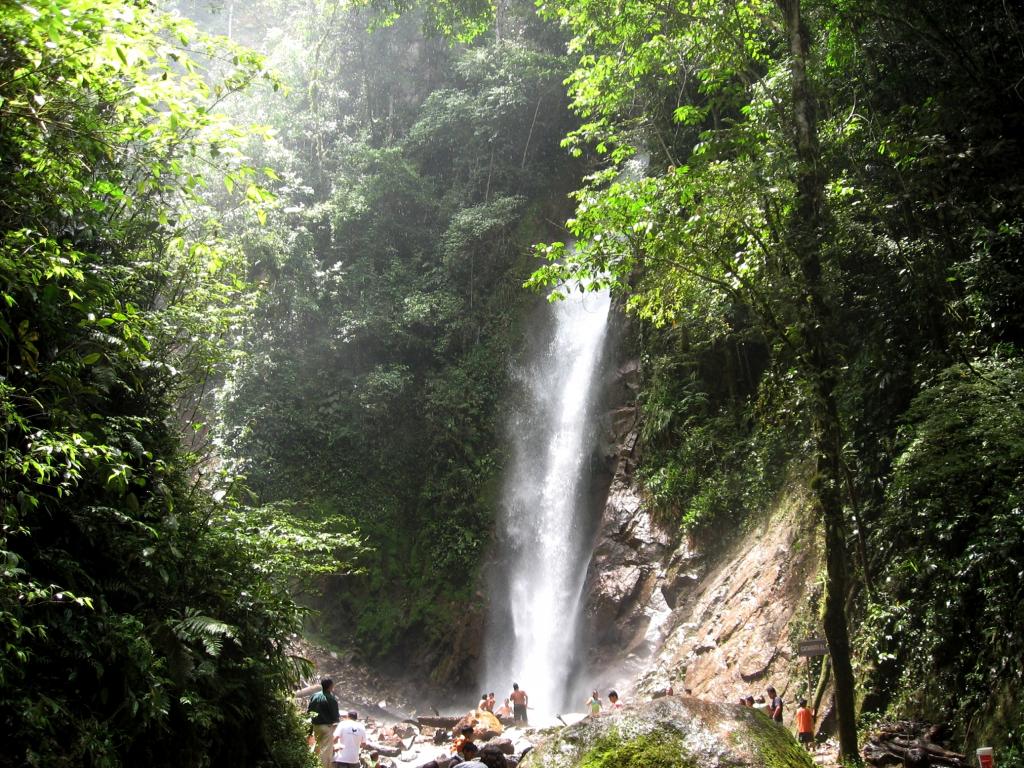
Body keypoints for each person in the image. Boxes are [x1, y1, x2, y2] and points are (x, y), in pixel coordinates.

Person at [309, 678, 342, 768]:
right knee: (326, 750)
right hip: (326, 727)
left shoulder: (314, 696)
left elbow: (309, 711)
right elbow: (335, 716)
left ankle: (313, 764)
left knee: (318, 746)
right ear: (330, 686)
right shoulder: (331, 699)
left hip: (316, 726)